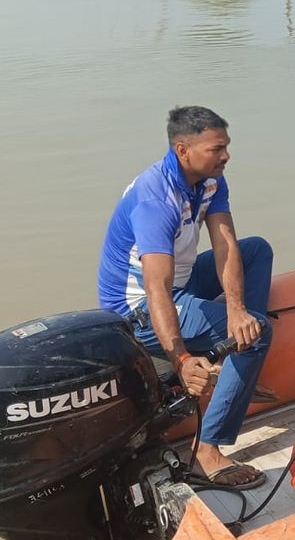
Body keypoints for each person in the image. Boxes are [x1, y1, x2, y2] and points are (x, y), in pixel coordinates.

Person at [98, 105, 273, 489]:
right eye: (217, 149)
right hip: (137, 308)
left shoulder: (209, 179)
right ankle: (207, 450)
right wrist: (179, 358)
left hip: (182, 280)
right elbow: (156, 288)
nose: (226, 155)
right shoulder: (155, 199)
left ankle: (238, 363)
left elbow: (225, 242)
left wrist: (237, 311)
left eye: (226, 146)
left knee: (257, 250)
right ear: (182, 150)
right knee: (259, 333)